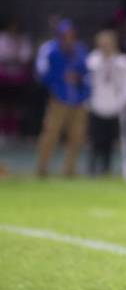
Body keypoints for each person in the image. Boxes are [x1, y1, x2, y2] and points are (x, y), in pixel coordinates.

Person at [35, 19, 90, 177]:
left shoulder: (80, 49)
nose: (69, 38)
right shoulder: (50, 50)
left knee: (77, 137)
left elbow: (87, 72)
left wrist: (79, 79)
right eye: (65, 35)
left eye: (71, 35)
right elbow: (41, 73)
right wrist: (60, 79)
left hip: (78, 100)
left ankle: (70, 169)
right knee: (51, 134)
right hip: (59, 99)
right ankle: (42, 168)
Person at [85, 30, 126, 176]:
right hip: (96, 106)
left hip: (115, 106)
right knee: (95, 139)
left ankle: (106, 168)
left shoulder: (123, 61)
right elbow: (87, 82)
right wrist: (89, 100)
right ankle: (91, 168)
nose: (105, 47)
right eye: (102, 44)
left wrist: (122, 101)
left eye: (108, 44)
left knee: (109, 140)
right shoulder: (92, 60)